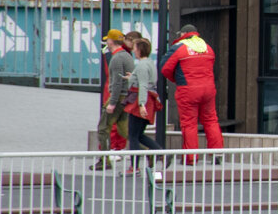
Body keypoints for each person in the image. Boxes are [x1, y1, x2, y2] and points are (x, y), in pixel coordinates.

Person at [161, 24, 224, 164]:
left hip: (188, 90)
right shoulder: (207, 47)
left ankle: (191, 158)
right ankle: (217, 154)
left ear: (183, 33)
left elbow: (165, 68)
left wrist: (177, 80)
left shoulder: (179, 47)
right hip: (208, 89)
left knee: (189, 124)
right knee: (211, 120)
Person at [92, 29, 134, 170]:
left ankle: (104, 161)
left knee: (103, 129)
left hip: (117, 97)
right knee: (124, 131)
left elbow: (116, 82)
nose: (106, 42)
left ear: (111, 41)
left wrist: (112, 103)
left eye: (107, 40)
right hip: (126, 97)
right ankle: (150, 153)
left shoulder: (116, 58)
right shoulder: (127, 56)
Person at [123, 38, 164, 172]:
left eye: (135, 48)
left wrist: (141, 104)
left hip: (140, 101)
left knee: (133, 135)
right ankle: (161, 153)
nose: (133, 50)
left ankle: (134, 167)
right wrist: (132, 77)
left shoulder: (141, 65)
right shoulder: (150, 63)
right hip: (149, 100)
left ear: (139, 50)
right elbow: (146, 81)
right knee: (139, 134)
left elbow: (143, 85)